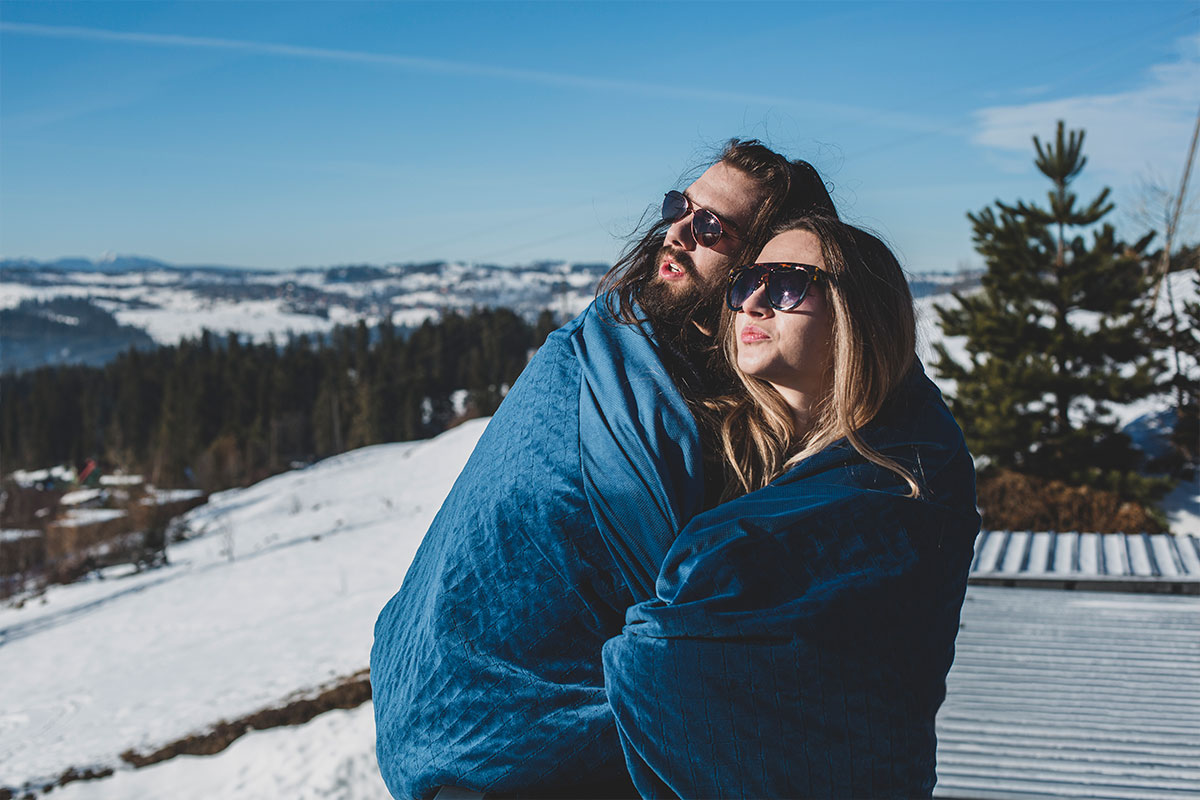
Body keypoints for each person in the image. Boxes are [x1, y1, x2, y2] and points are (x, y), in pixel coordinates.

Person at [371, 141, 837, 798]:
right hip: (494, 742)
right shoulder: (603, 350)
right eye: (682, 209)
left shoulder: (716, 402)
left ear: (765, 270)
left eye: (712, 229)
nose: (675, 233)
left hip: (471, 739)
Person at [602, 216, 982, 798]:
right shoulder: (737, 454)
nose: (752, 302)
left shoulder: (903, 478)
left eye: (785, 284)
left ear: (858, 311)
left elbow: (668, 655)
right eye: (744, 282)